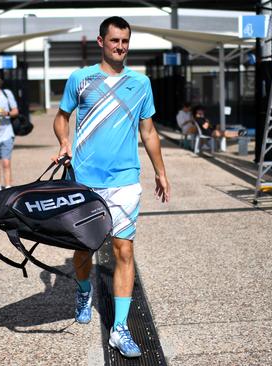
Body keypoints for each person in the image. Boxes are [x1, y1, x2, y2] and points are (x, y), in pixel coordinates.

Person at [52, 16, 170, 358]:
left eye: (125, 41)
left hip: (125, 182)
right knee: (84, 249)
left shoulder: (140, 83)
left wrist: (160, 171)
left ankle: (119, 329)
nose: (120, 46)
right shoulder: (81, 79)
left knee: (124, 251)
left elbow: (148, 132)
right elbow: (62, 117)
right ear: (101, 41)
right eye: (115, 40)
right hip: (85, 182)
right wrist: (64, 142)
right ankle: (84, 289)